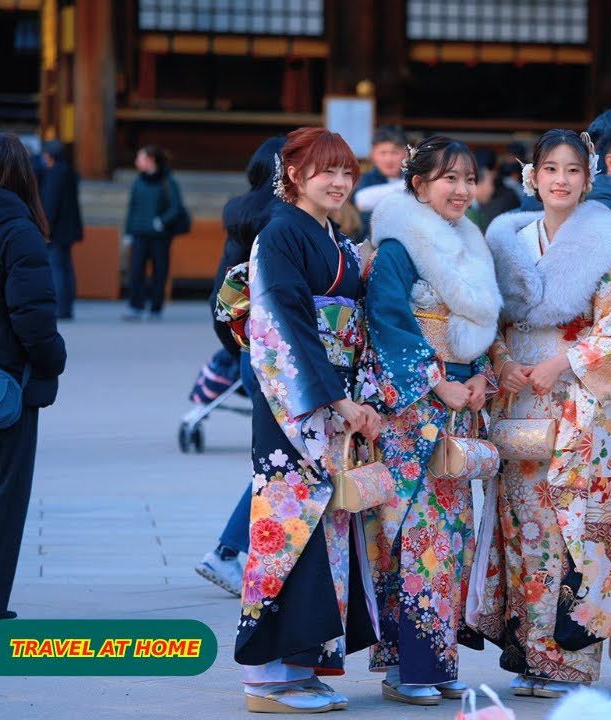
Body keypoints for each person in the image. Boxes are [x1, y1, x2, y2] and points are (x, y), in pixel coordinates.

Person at [473, 129, 611, 699]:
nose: (561, 180)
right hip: (517, 400)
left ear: (588, 179)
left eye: (573, 170)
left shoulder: (607, 245)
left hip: (574, 407)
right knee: (521, 529)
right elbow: (488, 323)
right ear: (534, 176)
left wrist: (562, 361)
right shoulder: (512, 241)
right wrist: (501, 359)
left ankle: (568, 662)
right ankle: (531, 652)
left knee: (569, 528)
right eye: (551, 169)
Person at [233, 127, 382, 713]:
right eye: (327, 172)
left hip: (333, 403)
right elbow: (284, 327)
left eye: (347, 172)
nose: (340, 182)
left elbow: (357, 323)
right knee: (286, 533)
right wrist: (337, 400)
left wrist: (358, 393)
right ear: (293, 174)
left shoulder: (334, 239)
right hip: (291, 409)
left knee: (328, 533)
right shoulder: (279, 234)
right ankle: (266, 676)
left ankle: (300, 665)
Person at [361, 136, 502, 705]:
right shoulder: (397, 246)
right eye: (449, 178)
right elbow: (388, 321)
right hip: (412, 414)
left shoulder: (471, 243)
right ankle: (408, 665)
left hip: (457, 408)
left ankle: (436, 659)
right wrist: (435, 380)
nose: (462, 189)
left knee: (453, 539)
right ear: (418, 185)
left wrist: (479, 378)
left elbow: (486, 325)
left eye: (469, 178)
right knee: (415, 536)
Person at [194, 136, 286, 597]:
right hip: (279, 357)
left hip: (251, 354)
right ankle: (227, 551)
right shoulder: (282, 220)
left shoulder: (241, 218)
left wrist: (239, 353)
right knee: (282, 463)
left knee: (276, 461)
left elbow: (219, 299)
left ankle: (234, 551)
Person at [0, 133, 68, 621]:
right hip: (6, 383)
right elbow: (33, 313)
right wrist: (53, 358)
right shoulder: (16, 228)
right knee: (4, 494)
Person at [123, 145, 186, 320]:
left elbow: (176, 207)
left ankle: (156, 307)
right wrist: (128, 232)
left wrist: (162, 221)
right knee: (136, 271)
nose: (137, 162)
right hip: (139, 234)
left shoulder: (167, 181)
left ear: (151, 160)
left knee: (160, 272)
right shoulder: (138, 182)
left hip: (160, 236)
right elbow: (132, 208)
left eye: (140, 158)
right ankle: (135, 305)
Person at [37, 139, 83, 320]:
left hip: (56, 230)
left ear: (48, 155)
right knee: (65, 267)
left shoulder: (55, 174)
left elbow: (50, 204)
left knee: (57, 269)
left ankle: (60, 308)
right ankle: (66, 306)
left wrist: (44, 228)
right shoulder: (68, 171)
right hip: (68, 228)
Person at [353, 126, 409, 239]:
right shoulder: (363, 181)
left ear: (405, 154)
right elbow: (361, 201)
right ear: (373, 154)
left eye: (394, 152)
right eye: (383, 153)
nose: (388, 159)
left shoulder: (411, 178)